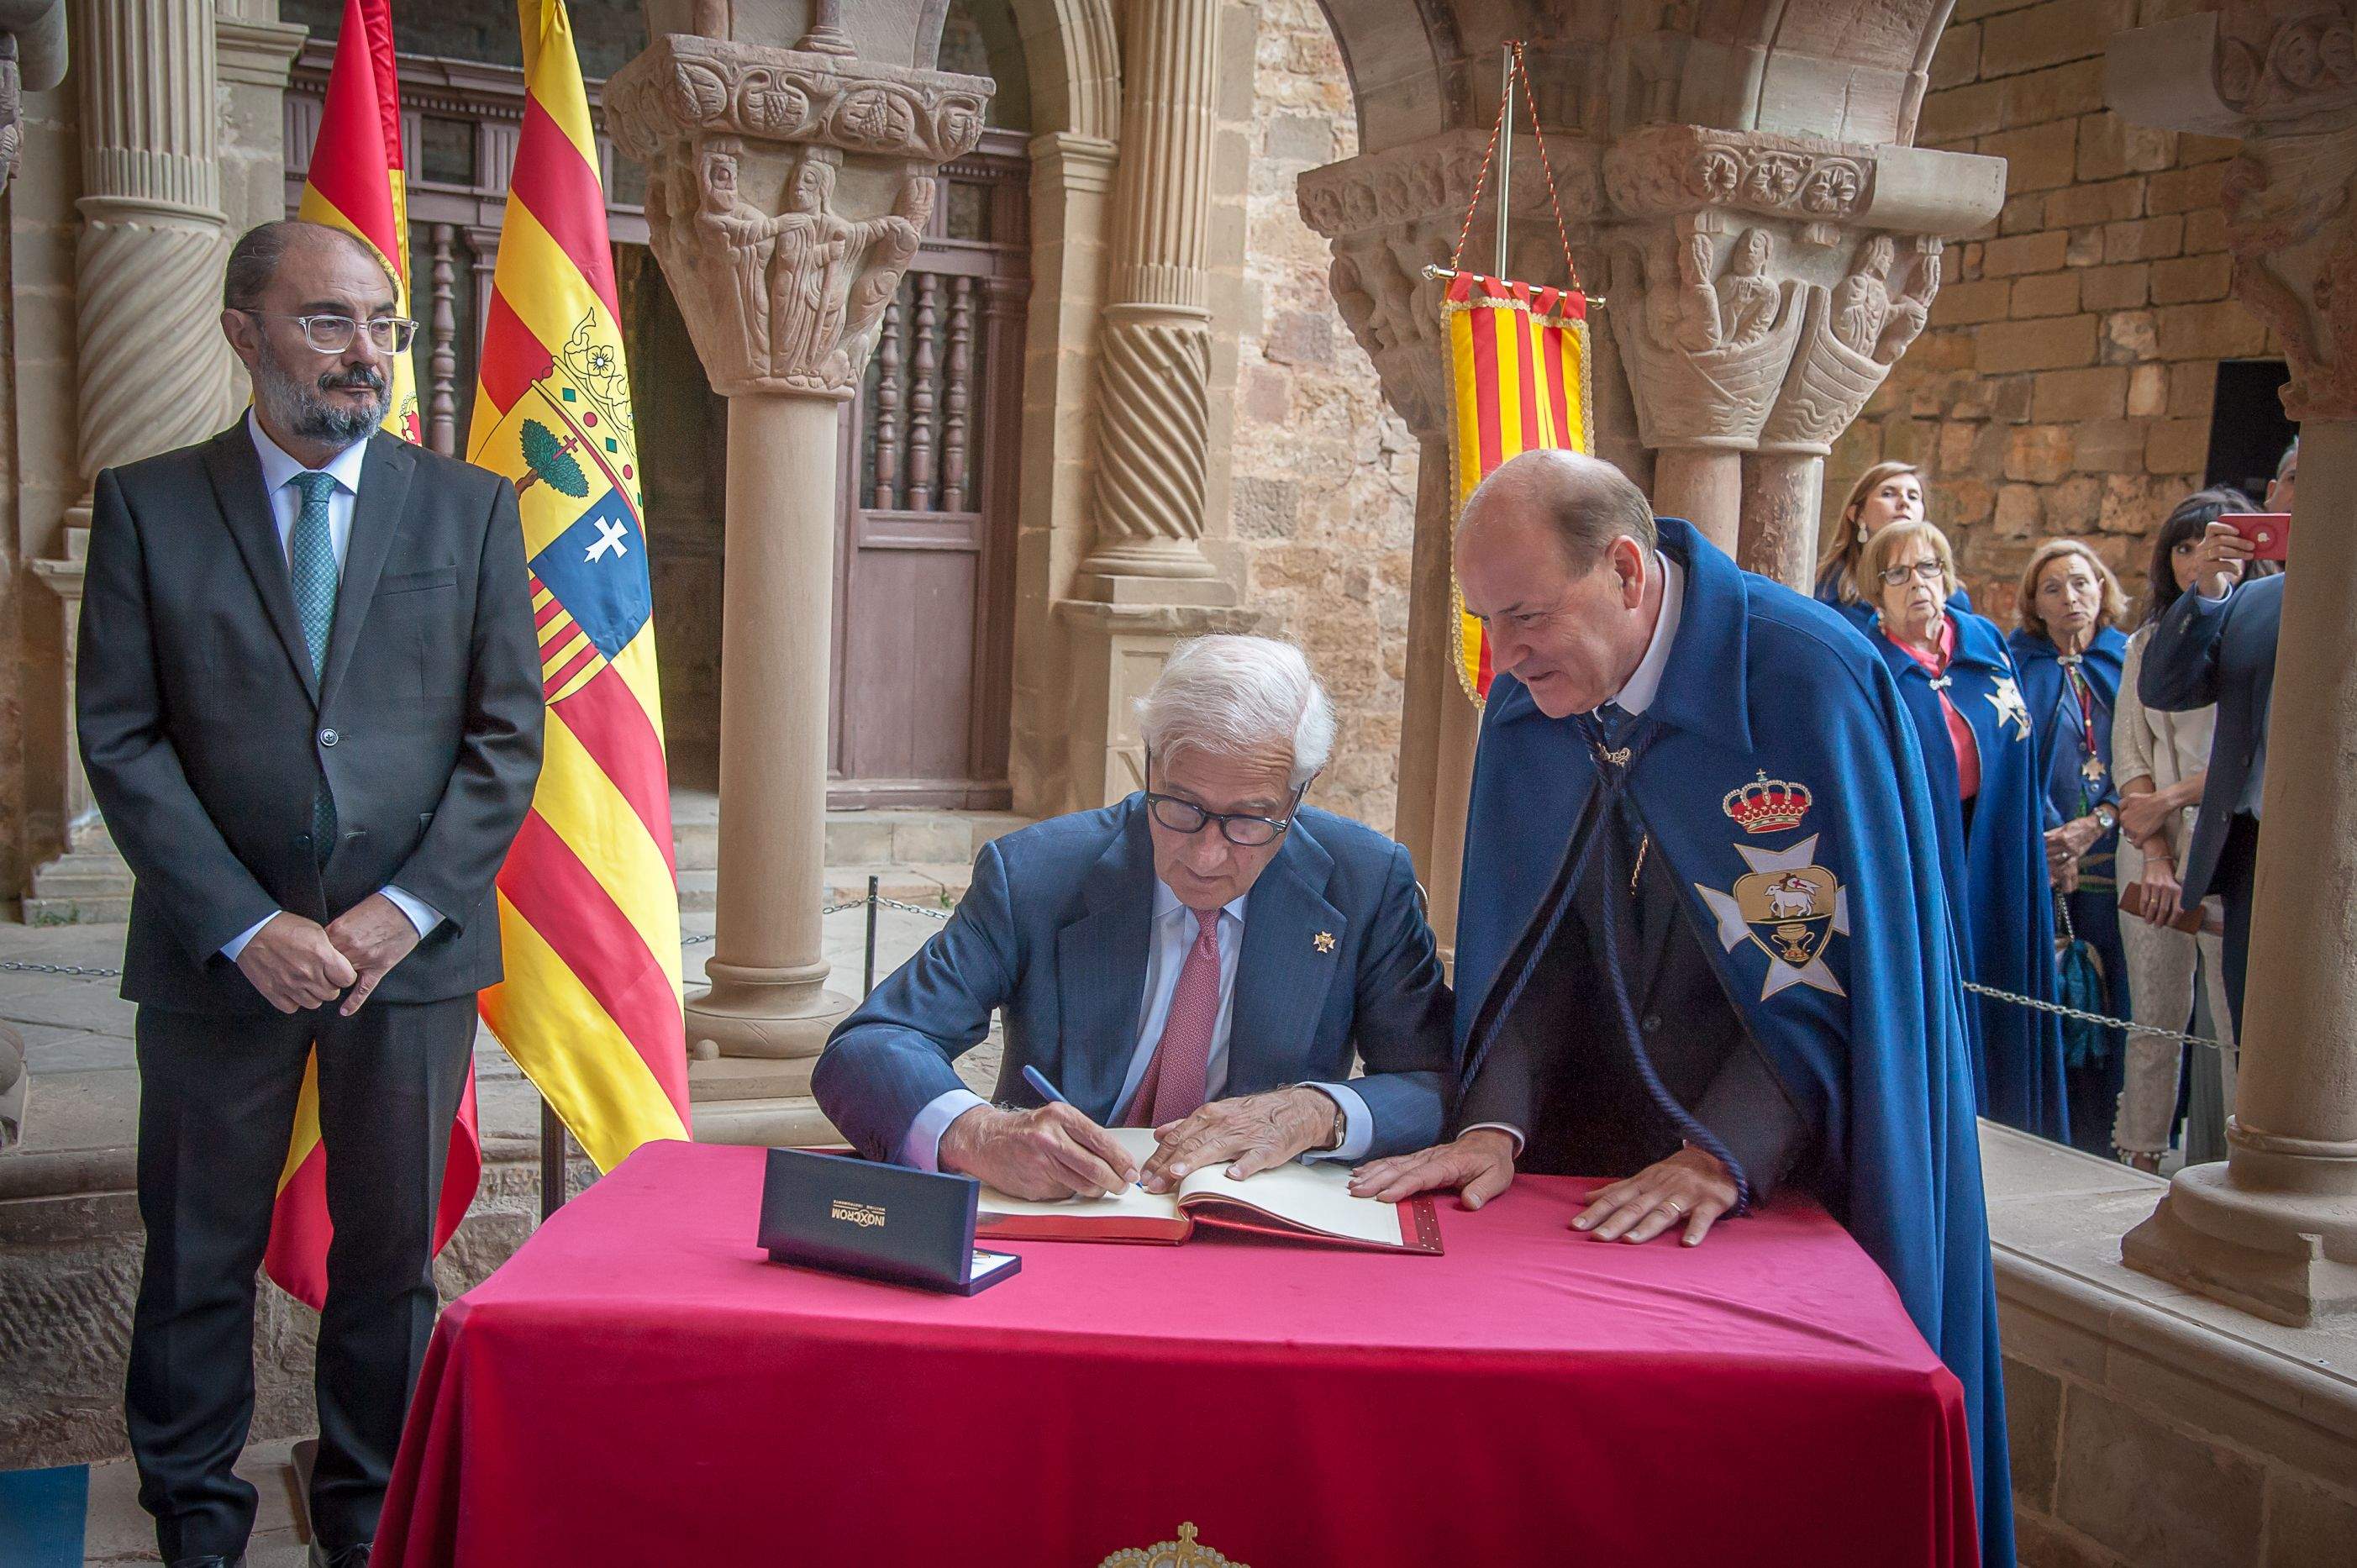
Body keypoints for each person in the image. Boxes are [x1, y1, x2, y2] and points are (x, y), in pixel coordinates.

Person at [1349, 451, 2012, 1568]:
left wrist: (1724, 1153)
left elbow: (1842, 981)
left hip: (1783, 1176)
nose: (1501, 660)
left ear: (1624, 569)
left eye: (1521, 617)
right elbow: (1532, 945)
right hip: (1580, 1171)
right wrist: (1491, 1120)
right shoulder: (1534, 698)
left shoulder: (1808, 682)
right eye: (1481, 621)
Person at [76, 220, 545, 1568]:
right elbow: (123, 737)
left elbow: (506, 737)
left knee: (388, 1258)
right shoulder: (150, 504)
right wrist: (244, 921)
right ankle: (196, 1514)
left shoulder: (468, 509)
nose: (365, 354)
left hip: (411, 959)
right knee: (198, 1250)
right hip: (217, 956)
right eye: (328, 321)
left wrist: (403, 909)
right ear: (245, 331)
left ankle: (367, 1506)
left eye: (382, 325)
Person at [813, 634, 1453, 1199]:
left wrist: (1319, 1111)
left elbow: (1433, 1081)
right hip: (1070, 1215)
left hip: (1255, 1225)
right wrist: (977, 1132)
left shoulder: (1363, 881)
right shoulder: (1037, 873)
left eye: (1249, 820)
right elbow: (869, 1046)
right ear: (1149, 764)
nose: (1205, 855)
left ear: (1298, 794)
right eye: (1179, 806)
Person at [1852, 519, 2068, 1143]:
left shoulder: (1982, 644)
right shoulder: (1874, 668)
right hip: (1928, 861)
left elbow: (2019, 754)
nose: (1916, 583)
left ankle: (2017, 1123)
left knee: (2007, 982)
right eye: (1898, 573)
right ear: (1876, 590)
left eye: (1927, 568)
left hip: (2000, 851)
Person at [2111, 490, 2254, 1171]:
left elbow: (2253, 758)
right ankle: (2137, 1154)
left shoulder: (2260, 639)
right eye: (2182, 545)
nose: (2195, 558)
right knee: (2153, 1017)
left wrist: (2170, 796)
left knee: (2234, 1020)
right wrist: (2156, 852)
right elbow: (2129, 751)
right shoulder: (2145, 643)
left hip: (2231, 840)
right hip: (2149, 843)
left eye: (2211, 543)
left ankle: (2243, 1166)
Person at [2139, 440, 2295, 1034]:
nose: (2279, 498)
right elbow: (2165, 687)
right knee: (2254, 1042)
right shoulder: (2249, 603)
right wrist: (2206, 593)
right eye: (2281, 481)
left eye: (2298, 480)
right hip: (2253, 851)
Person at [2009, 540, 2132, 1157]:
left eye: (2081, 584)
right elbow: (2008, 759)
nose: (2070, 598)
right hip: (2041, 855)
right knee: (2048, 993)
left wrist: (2099, 821)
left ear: (2101, 590)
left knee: (2111, 997)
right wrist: (2051, 838)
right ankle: (2041, 1129)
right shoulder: (2017, 665)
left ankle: (2105, 1134)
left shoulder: (2124, 663)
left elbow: (2140, 757)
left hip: (2114, 857)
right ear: (2033, 602)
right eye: (2053, 588)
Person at [1812, 460, 1974, 615]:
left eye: (1913, 496)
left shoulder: (1952, 598)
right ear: (1858, 515)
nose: (1904, 502)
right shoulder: (1826, 592)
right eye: (1888, 494)